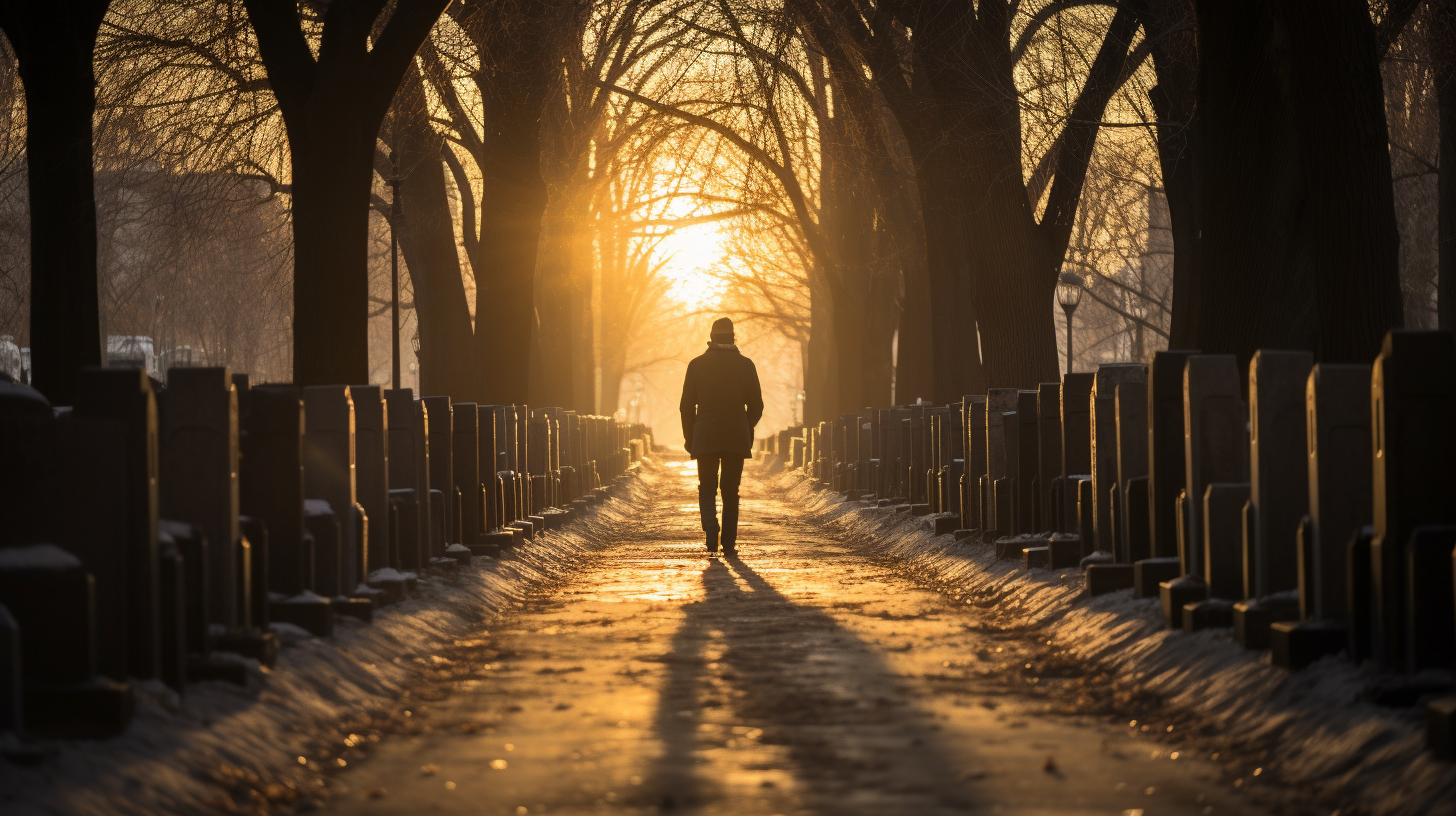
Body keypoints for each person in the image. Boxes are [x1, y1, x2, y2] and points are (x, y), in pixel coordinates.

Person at [679, 317, 764, 555]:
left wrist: (690, 436)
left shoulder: (696, 365)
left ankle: (710, 528)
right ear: (733, 338)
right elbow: (756, 406)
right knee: (730, 490)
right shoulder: (746, 365)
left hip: (705, 435)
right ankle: (728, 543)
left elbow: (686, 406)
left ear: (712, 338)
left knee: (706, 486)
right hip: (736, 436)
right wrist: (745, 428)